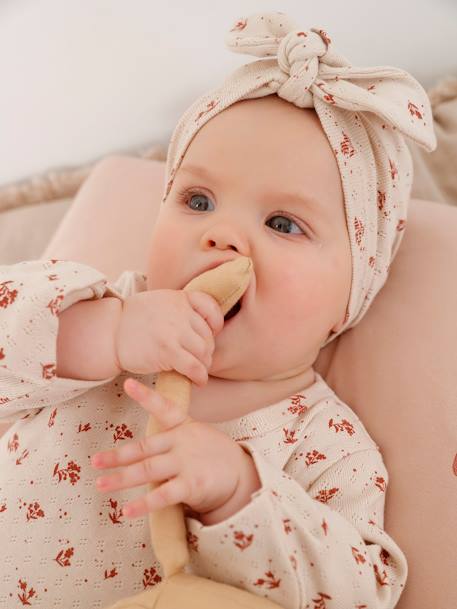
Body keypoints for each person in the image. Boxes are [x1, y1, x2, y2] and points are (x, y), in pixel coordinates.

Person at [0, 12, 436, 609]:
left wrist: (241, 491)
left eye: (283, 223)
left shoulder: (325, 443)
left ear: (348, 301)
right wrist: (100, 334)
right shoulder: (92, 305)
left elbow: (362, 592)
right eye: (197, 200)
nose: (222, 236)